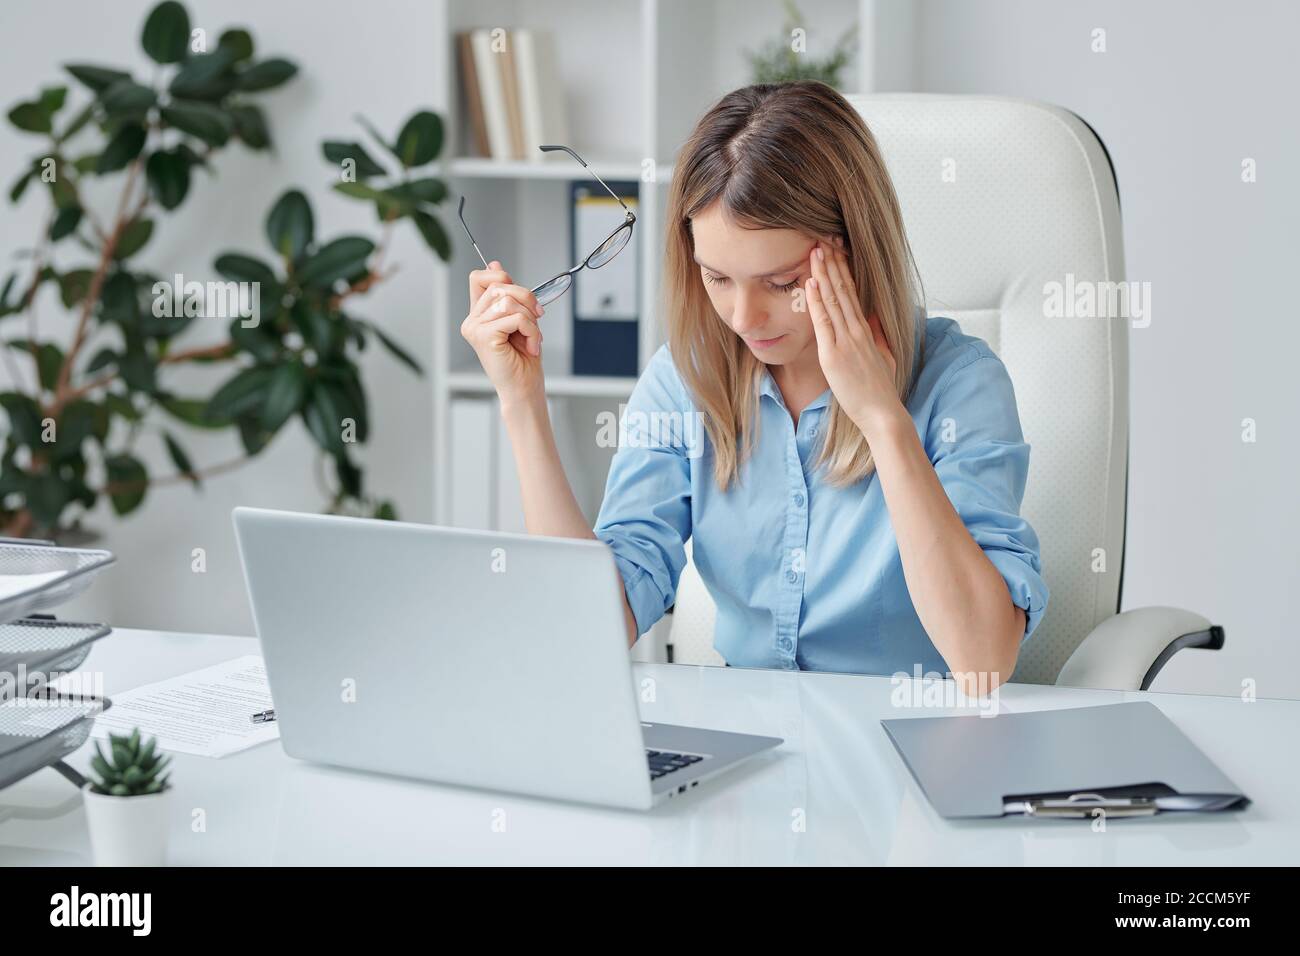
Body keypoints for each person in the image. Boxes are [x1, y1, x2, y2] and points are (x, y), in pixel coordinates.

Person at [459, 81, 1048, 692]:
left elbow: (983, 661)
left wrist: (882, 420)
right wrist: (521, 401)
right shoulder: (686, 379)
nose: (742, 318)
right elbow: (585, 626)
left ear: (853, 253)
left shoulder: (960, 385)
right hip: (747, 746)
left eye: (779, 281)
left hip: (906, 745)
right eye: (717, 278)